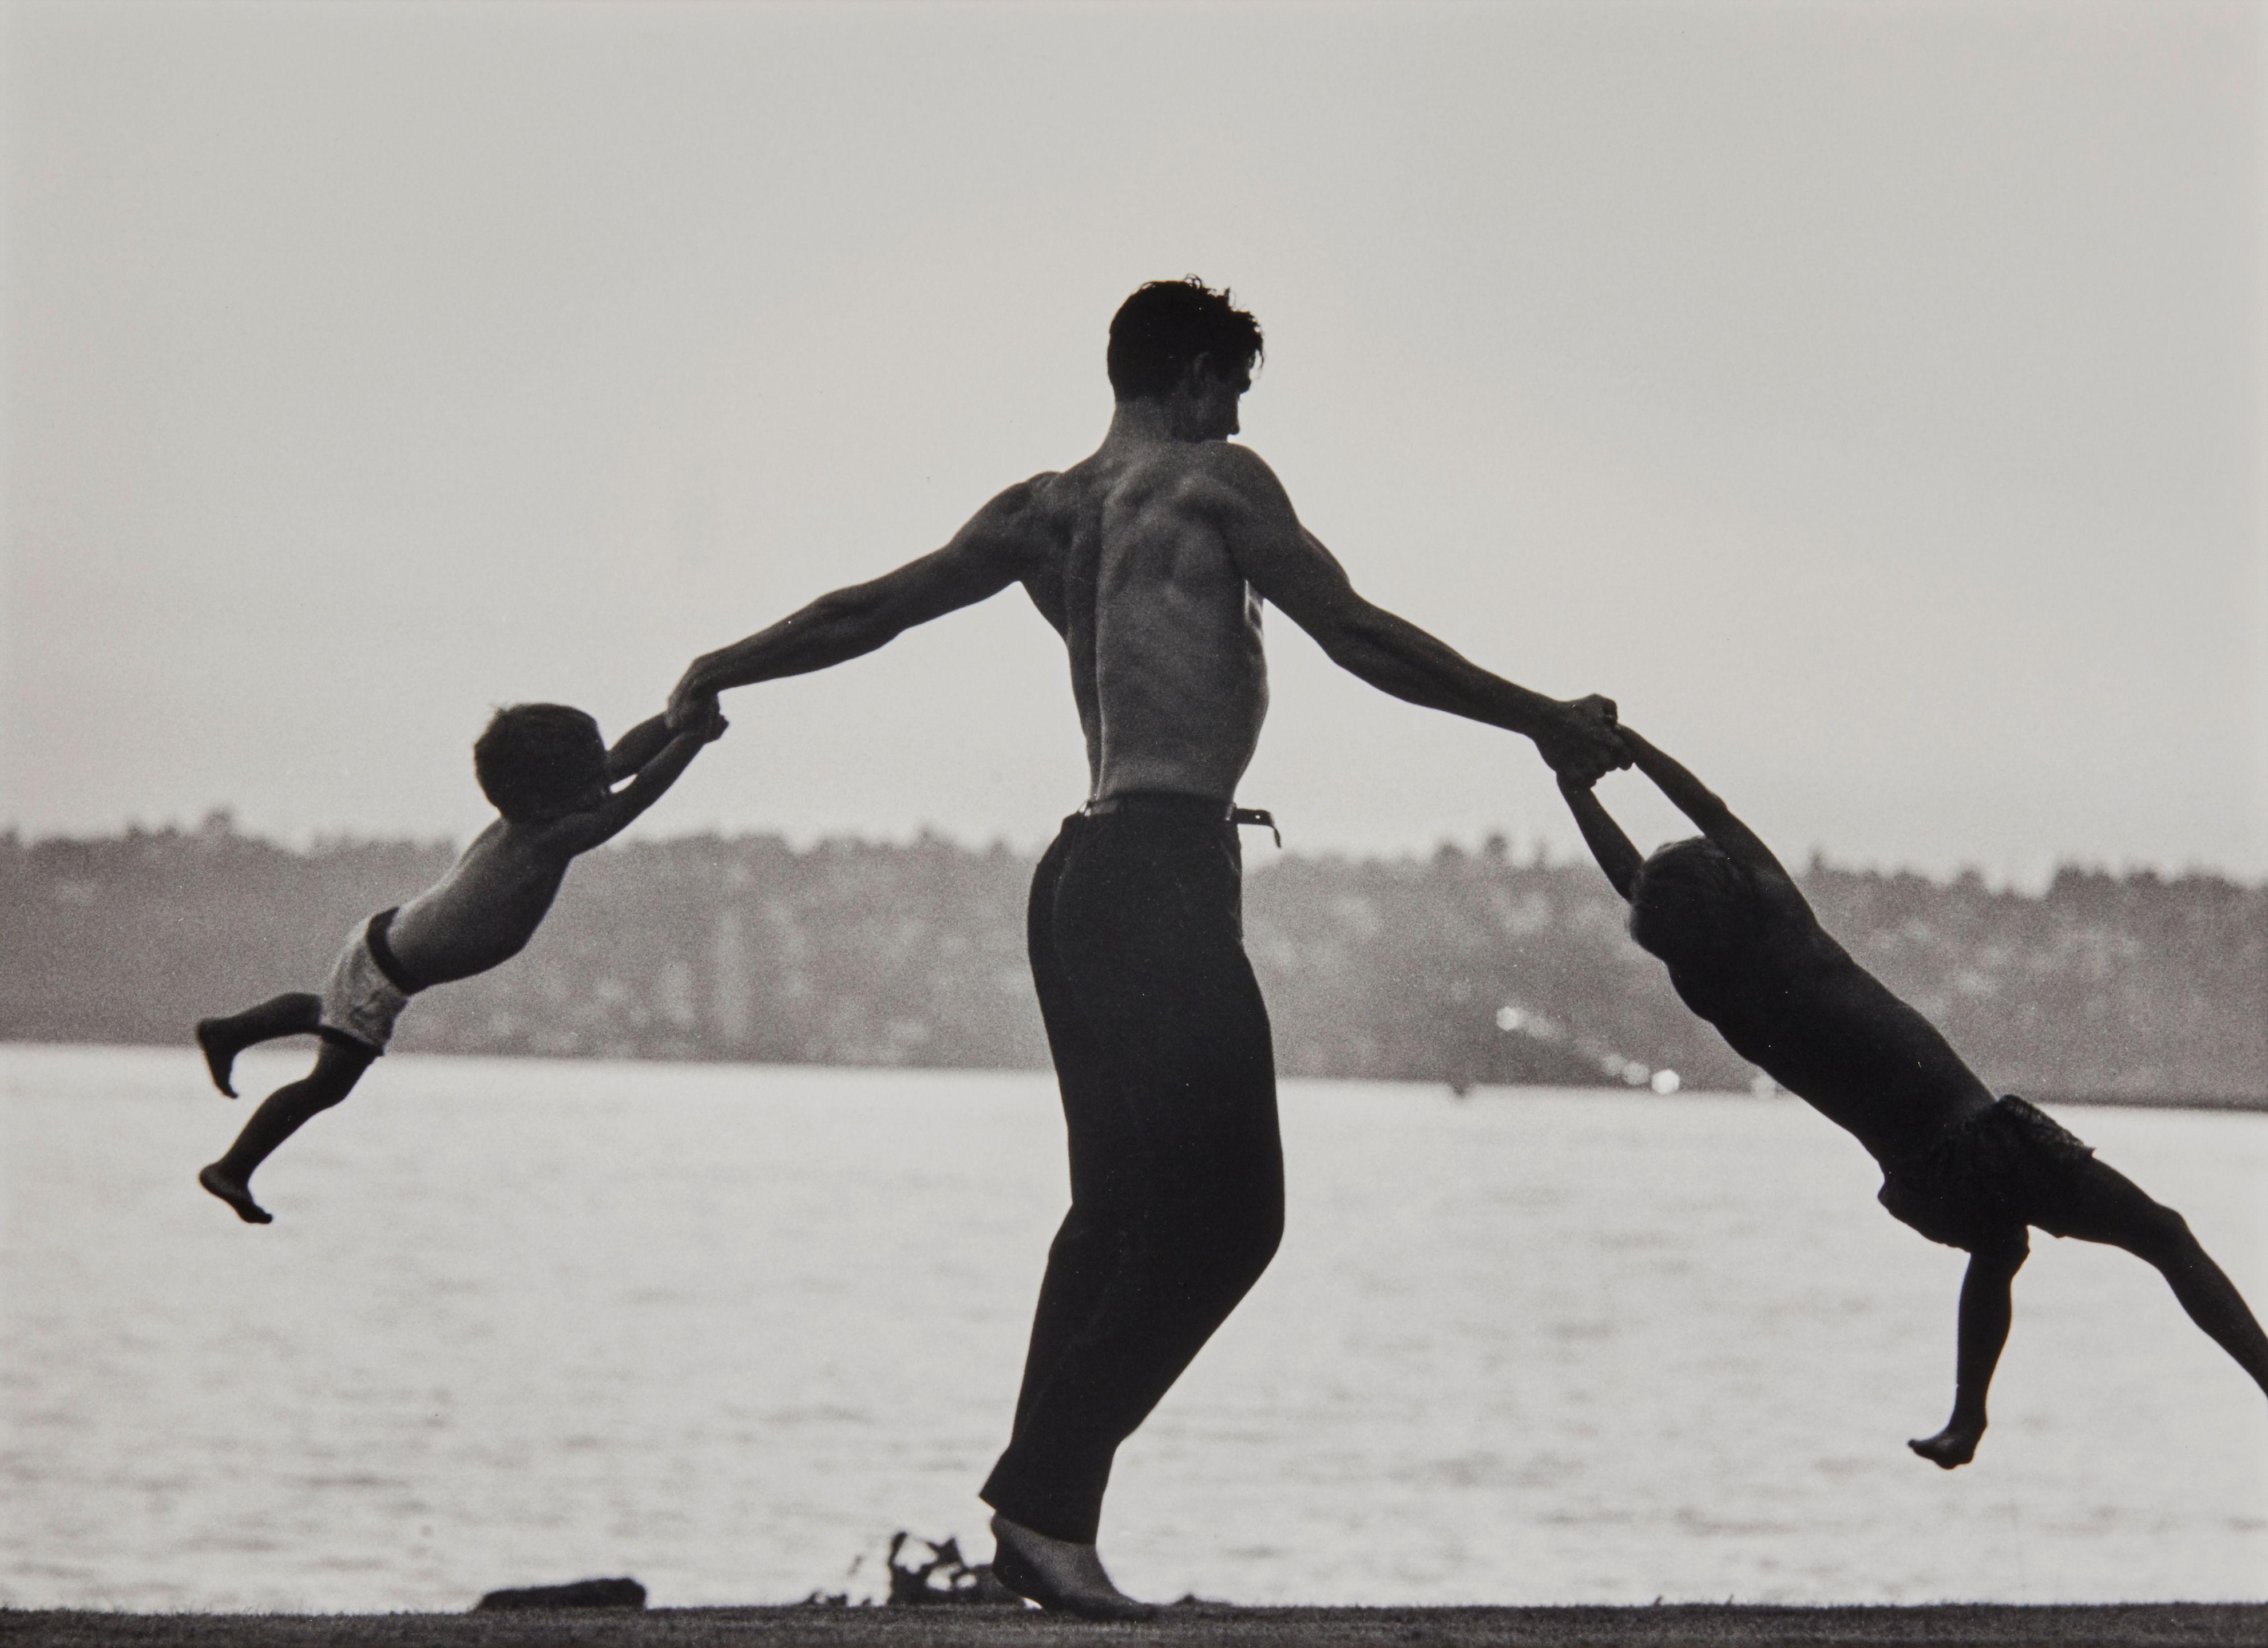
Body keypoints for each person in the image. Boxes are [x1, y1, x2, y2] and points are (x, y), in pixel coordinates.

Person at [665, 278, 1628, 1618]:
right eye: (1228, 386)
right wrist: (1539, 720)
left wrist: (718, 663)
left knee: (1112, 1217)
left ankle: (1037, 1527)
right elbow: (1351, 632)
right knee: (1235, 1218)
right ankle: (1044, 1499)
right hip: (1162, 870)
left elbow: (867, 610)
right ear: (1188, 378)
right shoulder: (1215, 482)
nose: (1235, 414)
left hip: (1080, 875)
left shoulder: (1040, 513)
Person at [1556, 726, 2268, 1468]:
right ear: (1731, 887)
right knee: (2166, 1234)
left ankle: (1966, 1421)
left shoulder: (1713, 990)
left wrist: (1573, 788)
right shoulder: (1788, 929)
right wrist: (1627, 745)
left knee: (1996, 1248)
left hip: (1926, 1180)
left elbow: (1632, 882)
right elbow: (1711, 809)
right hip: (1983, 1139)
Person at [194, 701, 726, 1223]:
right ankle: (233, 1167)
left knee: (328, 1010)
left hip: (384, 940)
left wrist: (676, 717)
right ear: (544, 801)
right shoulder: (552, 837)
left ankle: (229, 1032)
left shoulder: (528, 818)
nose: (601, 786)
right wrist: (690, 739)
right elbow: (636, 799)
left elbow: (616, 766)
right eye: (589, 782)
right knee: (326, 1086)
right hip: (388, 970)